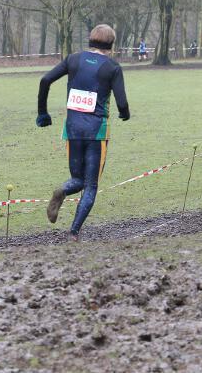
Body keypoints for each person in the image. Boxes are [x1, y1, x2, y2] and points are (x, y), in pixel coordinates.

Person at [36, 24, 130, 241]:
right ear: (111, 45)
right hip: (97, 132)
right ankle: (74, 233)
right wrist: (124, 113)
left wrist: (43, 113)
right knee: (90, 185)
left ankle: (62, 190)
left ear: (90, 40)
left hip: (72, 129)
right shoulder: (113, 67)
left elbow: (45, 80)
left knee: (77, 178)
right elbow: (122, 102)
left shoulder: (73, 59)